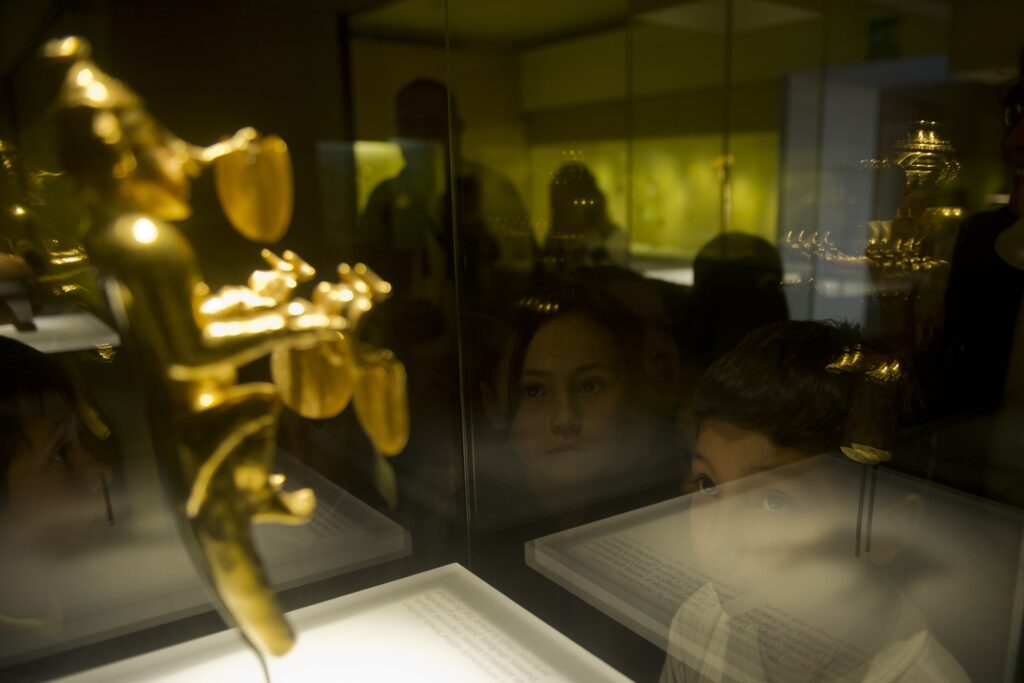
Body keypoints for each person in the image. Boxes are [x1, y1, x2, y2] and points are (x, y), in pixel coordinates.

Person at [661, 321, 970, 683]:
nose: (717, 545)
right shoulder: (703, 620)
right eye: (708, 485)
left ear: (884, 530)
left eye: (774, 502)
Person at [543, 163, 628, 269]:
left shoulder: (613, 237)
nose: (567, 210)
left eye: (574, 201)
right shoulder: (556, 237)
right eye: (561, 204)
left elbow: (608, 273)